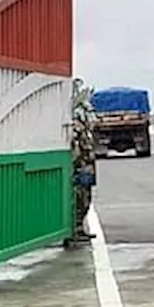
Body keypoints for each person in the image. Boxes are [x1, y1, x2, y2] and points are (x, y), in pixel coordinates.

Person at [67, 80, 97, 247]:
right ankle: (75, 230)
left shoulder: (86, 132)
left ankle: (80, 229)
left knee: (86, 198)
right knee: (79, 200)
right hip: (80, 169)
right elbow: (76, 152)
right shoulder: (77, 131)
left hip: (87, 168)